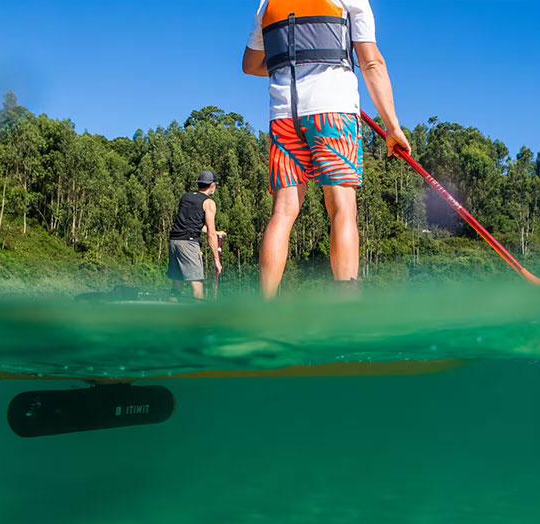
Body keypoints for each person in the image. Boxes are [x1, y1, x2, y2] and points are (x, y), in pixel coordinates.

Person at [242, 0, 411, 299]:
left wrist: (295, 61)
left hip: (284, 116)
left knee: (282, 212)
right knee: (342, 207)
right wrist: (391, 126)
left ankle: (266, 307)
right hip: (334, 111)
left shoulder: (266, 4)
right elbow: (371, 63)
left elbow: (250, 65)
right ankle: (345, 304)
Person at [167, 171, 223, 300]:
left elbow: (192, 223)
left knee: (176, 287)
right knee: (197, 285)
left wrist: (216, 232)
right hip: (189, 243)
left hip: (174, 241)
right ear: (212, 185)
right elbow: (210, 234)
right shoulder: (209, 203)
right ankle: (199, 311)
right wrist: (216, 260)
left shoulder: (185, 197)